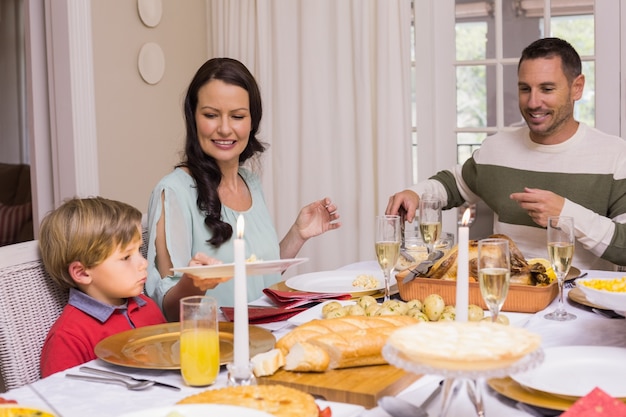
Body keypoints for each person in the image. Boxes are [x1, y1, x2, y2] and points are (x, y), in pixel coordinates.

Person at [386, 37, 626, 271]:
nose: (533, 102)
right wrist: (415, 193)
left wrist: (565, 214)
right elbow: (454, 184)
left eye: (547, 89)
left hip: (581, 304)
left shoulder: (614, 155)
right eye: (525, 89)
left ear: (577, 87)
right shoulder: (495, 149)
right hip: (503, 298)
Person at [146, 57, 341, 320]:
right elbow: (167, 309)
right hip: (213, 347)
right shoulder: (173, 192)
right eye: (211, 115)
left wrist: (298, 234)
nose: (225, 129)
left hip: (267, 333)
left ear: (252, 121)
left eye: (237, 116)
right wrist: (196, 282)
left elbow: (257, 277)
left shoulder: (250, 182)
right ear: (193, 118)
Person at [39, 197, 167, 377]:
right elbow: (59, 400)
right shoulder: (68, 337)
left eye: (139, 250)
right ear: (82, 273)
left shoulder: (147, 307)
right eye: (126, 257)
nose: (143, 262)